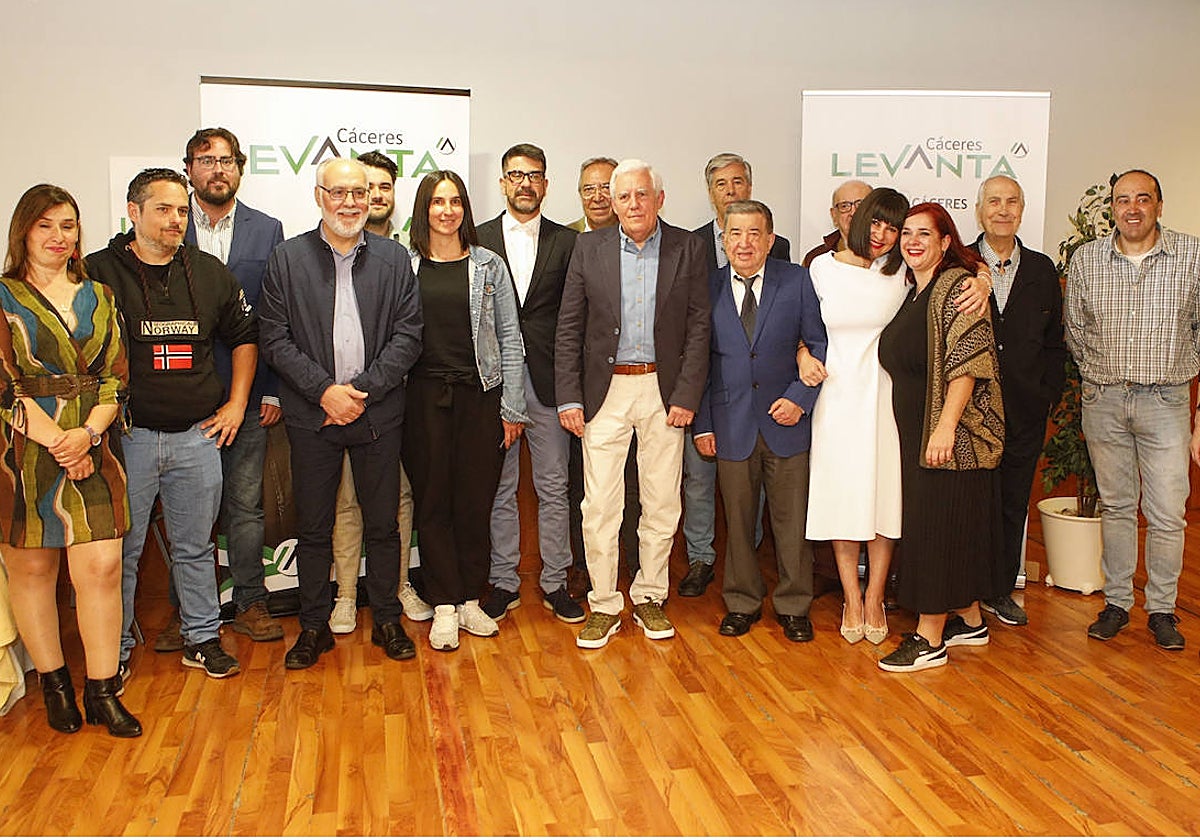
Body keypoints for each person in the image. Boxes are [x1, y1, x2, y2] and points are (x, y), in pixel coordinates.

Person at [88, 168, 256, 681]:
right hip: (128, 439)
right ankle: (110, 652)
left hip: (196, 437)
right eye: (162, 209)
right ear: (133, 212)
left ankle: (201, 637)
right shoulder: (98, 273)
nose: (175, 220)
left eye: (182, 210)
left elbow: (246, 336)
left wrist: (236, 405)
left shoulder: (208, 272)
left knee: (196, 546)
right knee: (122, 550)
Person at [259, 157, 423, 669]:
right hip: (313, 417)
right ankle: (313, 628)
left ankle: (389, 620)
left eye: (360, 192)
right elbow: (274, 338)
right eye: (339, 193)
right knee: (313, 527)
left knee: (383, 523)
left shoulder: (395, 259)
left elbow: (408, 337)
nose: (351, 202)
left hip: (377, 414)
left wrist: (359, 392)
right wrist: (326, 393)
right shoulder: (286, 258)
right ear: (318, 196)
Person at [0, 184, 140, 736]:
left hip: (95, 442)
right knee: (33, 569)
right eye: (46, 226)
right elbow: (4, 386)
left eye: (68, 225)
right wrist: (58, 440)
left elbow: (116, 376)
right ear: (24, 232)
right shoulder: (3, 296)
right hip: (24, 450)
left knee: (102, 568)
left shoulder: (100, 296)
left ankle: (103, 690)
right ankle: (56, 686)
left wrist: (85, 435)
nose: (60, 237)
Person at [556, 158, 711, 649]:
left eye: (642, 194)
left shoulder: (689, 247)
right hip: (605, 393)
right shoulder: (589, 247)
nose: (633, 204)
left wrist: (687, 394)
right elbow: (569, 328)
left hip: (663, 393)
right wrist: (568, 395)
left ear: (659, 199)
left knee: (662, 501)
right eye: (624, 196)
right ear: (613, 202)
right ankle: (603, 604)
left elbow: (700, 327)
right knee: (599, 504)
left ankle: (648, 595)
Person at [156, 127, 285, 649]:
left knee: (246, 506)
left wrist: (271, 390)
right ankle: (189, 609)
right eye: (205, 160)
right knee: (185, 511)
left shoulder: (266, 229)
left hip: (247, 394)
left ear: (240, 167)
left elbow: (275, 316)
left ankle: (250, 601)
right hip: (180, 395)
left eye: (226, 160)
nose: (217, 169)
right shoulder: (167, 227)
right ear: (188, 168)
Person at [1065, 169, 1200, 652]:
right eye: (1123, 200)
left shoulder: (1192, 255)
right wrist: (1100, 377)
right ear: (1112, 209)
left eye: (1144, 199)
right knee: (1118, 506)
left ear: (1160, 205)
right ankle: (1117, 603)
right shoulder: (1088, 260)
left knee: (1167, 513)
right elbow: (1075, 329)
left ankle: (1162, 609)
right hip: (1104, 400)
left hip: (1167, 400)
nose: (1133, 209)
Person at [403, 169, 529, 652]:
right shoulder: (404, 263)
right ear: (424, 209)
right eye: (437, 201)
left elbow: (510, 339)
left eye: (455, 201)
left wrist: (513, 407)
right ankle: (444, 605)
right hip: (422, 398)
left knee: (476, 501)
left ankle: (471, 597)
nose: (447, 210)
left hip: (481, 398)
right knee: (433, 502)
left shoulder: (488, 266)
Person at [876, 202, 1004, 672]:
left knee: (935, 531)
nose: (912, 241)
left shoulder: (956, 289)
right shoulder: (916, 289)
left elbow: (969, 361)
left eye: (924, 234)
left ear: (946, 242)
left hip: (950, 435)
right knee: (947, 527)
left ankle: (929, 638)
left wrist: (945, 426)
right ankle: (970, 621)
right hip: (918, 431)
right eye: (906, 233)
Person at [693, 200, 824, 642]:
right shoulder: (706, 286)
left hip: (786, 423)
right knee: (739, 520)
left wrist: (800, 399)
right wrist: (704, 424)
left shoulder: (797, 281)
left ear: (770, 240)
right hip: (730, 426)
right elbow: (701, 363)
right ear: (723, 239)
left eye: (754, 234)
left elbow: (818, 345)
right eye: (735, 234)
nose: (744, 242)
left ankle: (793, 605)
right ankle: (742, 602)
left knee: (791, 523)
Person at [476, 143, 583, 623]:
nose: (525, 183)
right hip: (493, 386)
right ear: (503, 182)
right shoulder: (474, 241)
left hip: (549, 385)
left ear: (545, 183)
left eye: (534, 175)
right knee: (498, 488)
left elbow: (578, 319)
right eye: (515, 175)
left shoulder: (569, 242)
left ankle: (556, 582)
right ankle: (502, 581)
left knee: (554, 486)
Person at [800, 188, 909, 645]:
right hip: (836, 395)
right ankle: (850, 595)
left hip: (886, 397)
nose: (882, 235)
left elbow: (963, 265)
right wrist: (802, 353)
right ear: (859, 219)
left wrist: (982, 276)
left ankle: (876, 596)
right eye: (876, 223)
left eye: (894, 228)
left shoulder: (904, 272)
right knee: (843, 497)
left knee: (883, 498)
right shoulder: (820, 268)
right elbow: (797, 325)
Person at [680, 153, 792, 599]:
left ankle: (749, 563)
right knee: (699, 478)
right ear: (711, 194)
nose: (731, 190)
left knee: (756, 488)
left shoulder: (776, 247)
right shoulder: (690, 245)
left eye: (738, 182)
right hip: (707, 385)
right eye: (722, 185)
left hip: (758, 393)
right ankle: (701, 559)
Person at [327, 150, 430, 634]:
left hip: (407, 401)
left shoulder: (414, 252)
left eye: (382, 187)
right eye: (364, 187)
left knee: (401, 498)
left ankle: (398, 585)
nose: (372, 196)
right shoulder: (333, 253)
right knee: (348, 498)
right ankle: (347, 593)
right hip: (349, 402)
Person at [969, 175, 1067, 627]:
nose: (1003, 210)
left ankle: (1000, 589)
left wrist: (1046, 395)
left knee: (1012, 503)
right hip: (970, 409)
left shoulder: (1043, 270)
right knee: (971, 503)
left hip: (1025, 410)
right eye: (994, 202)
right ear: (980, 210)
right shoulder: (962, 264)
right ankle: (965, 590)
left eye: (1011, 202)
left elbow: (1054, 342)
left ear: (1022, 210)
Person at [564, 155, 640, 598]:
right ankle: (588, 569)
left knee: (638, 487)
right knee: (587, 489)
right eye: (589, 188)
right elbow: (567, 321)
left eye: (605, 187)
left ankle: (629, 566)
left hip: (641, 386)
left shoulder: (653, 243)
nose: (598, 196)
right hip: (587, 388)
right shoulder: (567, 240)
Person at [801, 180, 872, 268]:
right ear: (834, 215)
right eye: (844, 206)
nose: (853, 212)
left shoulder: (890, 255)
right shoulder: (815, 258)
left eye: (860, 205)